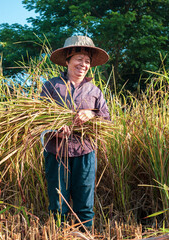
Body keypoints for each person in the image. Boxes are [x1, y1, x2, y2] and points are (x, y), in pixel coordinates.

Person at [40, 35, 111, 230]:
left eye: (87, 61)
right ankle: (58, 234)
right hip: (56, 152)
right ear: (67, 60)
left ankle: (85, 234)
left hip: (86, 152)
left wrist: (91, 113)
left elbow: (107, 120)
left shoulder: (94, 91)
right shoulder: (51, 86)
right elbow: (37, 120)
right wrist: (55, 131)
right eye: (79, 59)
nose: (83, 64)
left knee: (85, 205)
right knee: (58, 205)